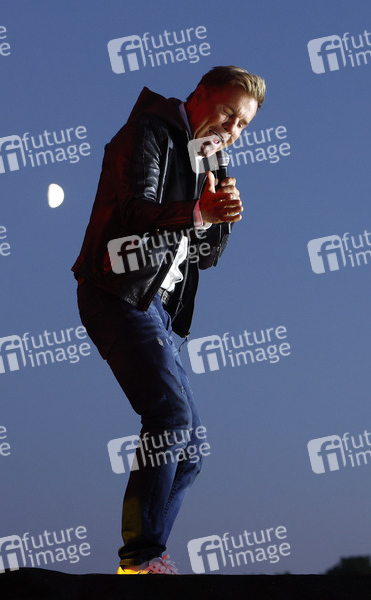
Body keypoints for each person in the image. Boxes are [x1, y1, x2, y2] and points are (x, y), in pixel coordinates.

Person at [72, 65, 265, 574]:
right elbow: (134, 212)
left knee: (192, 447)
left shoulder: (211, 159)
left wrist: (222, 215)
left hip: (158, 309)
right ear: (199, 95)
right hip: (117, 290)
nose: (232, 129)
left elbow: (206, 257)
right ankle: (141, 557)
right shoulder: (149, 130)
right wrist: (198, 212)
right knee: (170, 418)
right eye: (228, 113)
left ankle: (146, 557)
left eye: (242, 124)